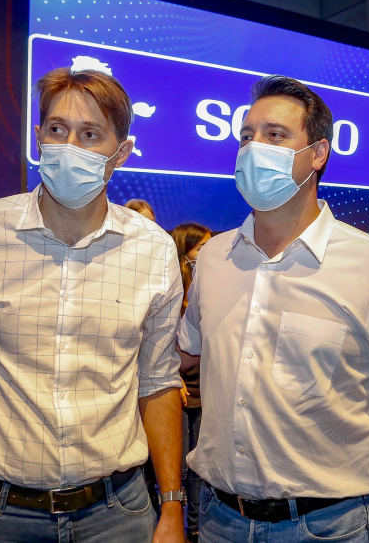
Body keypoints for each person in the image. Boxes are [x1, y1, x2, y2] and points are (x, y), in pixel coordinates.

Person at [0, 67, 185, 542]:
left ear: (121, 153)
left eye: (90, 134)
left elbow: (157, 382)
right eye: (57, 129)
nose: (69, 146)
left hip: (116, 513)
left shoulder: (154, 250)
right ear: (38, 137)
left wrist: (172, 506)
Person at [176, 76, 369, 543]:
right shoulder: (215, 258)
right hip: (219, 520)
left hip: (327, 526)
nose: (254, 148)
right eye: (247, 136)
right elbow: (184, 356)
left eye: (275, 135)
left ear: (318, 153)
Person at [171, 222, 212, 543]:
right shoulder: (171, 294)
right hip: (178, 394)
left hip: (205, 394)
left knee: (199, 468)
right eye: (202, 248)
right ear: (185, 253)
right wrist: (174, 376)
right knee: (179, 469)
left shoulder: (210, 292)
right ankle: (171, 521)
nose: (208, 255)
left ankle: (195, 528)